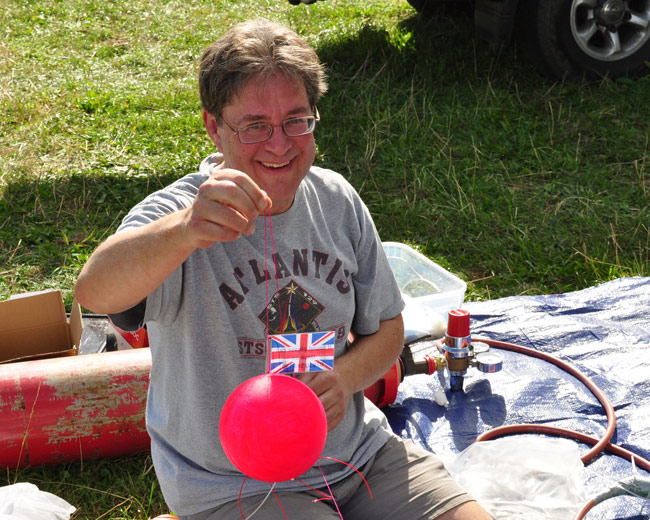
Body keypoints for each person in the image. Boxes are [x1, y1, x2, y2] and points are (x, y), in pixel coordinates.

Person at [75, 18, 493, 520]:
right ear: (214, 126)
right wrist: (185, 229)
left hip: (356, 455)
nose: (280, 144)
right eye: (255, 126)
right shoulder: (180, 216)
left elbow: (387, 328)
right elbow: (95, 293)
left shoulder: (336, 199)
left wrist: (344, 378)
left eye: (297, 120)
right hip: (234, 483)